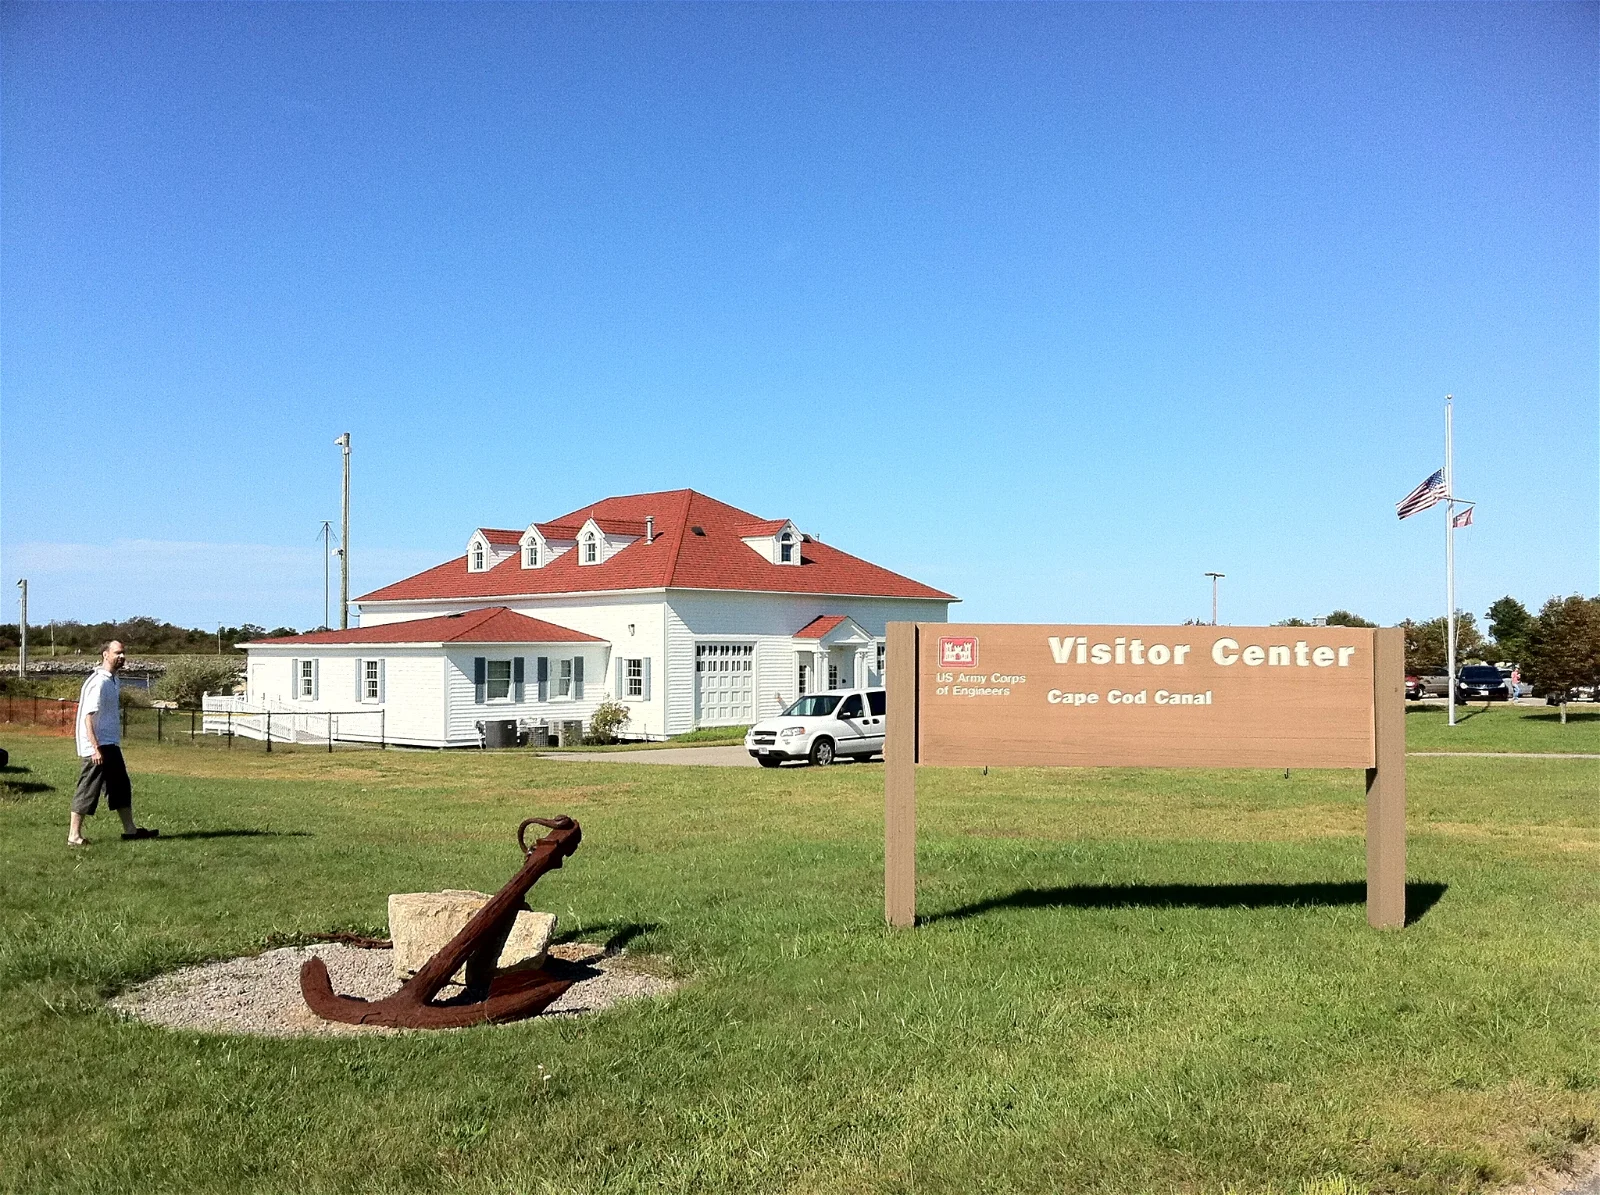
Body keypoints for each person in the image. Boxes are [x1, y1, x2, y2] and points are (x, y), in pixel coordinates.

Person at [68, 640, 157, 847]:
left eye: (123, 653)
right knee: (87, 790)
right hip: (97, 747)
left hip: (111, 744)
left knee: (120, 787)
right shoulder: (98, 682)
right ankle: (74, 836)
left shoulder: (113, 680)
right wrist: (95, 748)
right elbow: (87, 718)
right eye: (117, 652)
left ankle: (130, 830)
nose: (122, 656)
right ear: (105, 655)